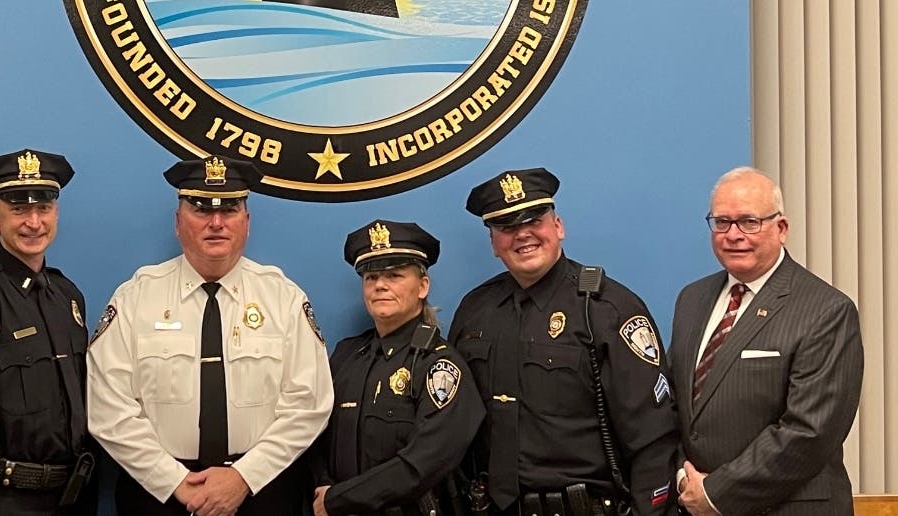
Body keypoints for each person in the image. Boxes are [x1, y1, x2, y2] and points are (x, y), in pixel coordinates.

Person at [87, 155, 333, 516]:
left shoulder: (283, 298)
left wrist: (243, 478)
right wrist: (174, 482)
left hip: (261, 494)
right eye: (201, 210)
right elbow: (109, 408)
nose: (216, 223)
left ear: (247, 223)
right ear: (177, 222)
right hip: (158, 498)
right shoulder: (136, 298)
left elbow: (309, 404)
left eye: (230, 210)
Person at [449, 167, 679, 516]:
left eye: (534, 221)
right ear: (493, 243)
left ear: (558, 226)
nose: (522, 235)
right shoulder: (475, 310)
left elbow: (653, 436)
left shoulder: (607, 308)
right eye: (507, 227)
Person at [668, 167, 864, 516]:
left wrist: (714, 493)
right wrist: (685, 477)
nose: (733, 235)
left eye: (749, 222)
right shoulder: (692, 300)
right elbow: (673, 404)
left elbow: (809, 433)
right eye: (722, 222)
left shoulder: (826, 310)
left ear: (781, 228)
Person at [0, 149, 98, 515]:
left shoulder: (67, 297)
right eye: (19, 210)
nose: (34, 222)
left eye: (44, 208)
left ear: (56, 213)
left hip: (72, 497)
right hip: (6, 501)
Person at [311, 220, 484, 516]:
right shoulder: (346, 355)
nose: (380, 285)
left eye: (394, 275)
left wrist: (339, 499)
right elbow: (316, 432)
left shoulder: (439, 365)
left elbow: (424, 462)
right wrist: (323, 487)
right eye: (371, 276)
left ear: (423, 286)